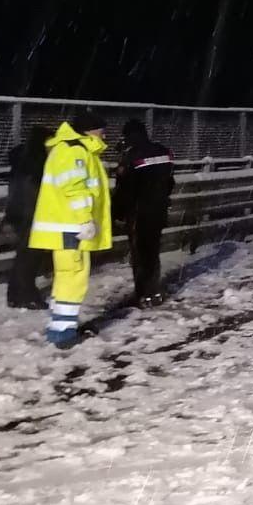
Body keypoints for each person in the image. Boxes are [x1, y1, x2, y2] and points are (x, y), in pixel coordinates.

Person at [29, 110, 112, 348]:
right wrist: (85, 219)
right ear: (90, 130)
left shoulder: (70, 149)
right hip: (71, 228)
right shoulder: (74, 151)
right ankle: (64, 333)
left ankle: (59, 327)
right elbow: (75, 188)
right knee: (73, 278)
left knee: (66, 276)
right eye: (101, 129)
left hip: (66, 227)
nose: (105, 133)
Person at [114, 119, 175, 306]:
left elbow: (124, 189)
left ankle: (143, 293)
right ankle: (154, 289)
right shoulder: (164, 151)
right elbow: (170, 182)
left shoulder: (131, 156)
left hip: (139, 213)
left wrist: (117, 213)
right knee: (153, 250)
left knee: (140, 253)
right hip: (159, 210)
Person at [3, 126, 51, 310]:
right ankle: (27, 294)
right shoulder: (36, 164)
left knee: (24, 254)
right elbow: (33, 194)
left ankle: (14, 294)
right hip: (30, 214)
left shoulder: (24, 160)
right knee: (30, 256)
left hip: (18, 213)